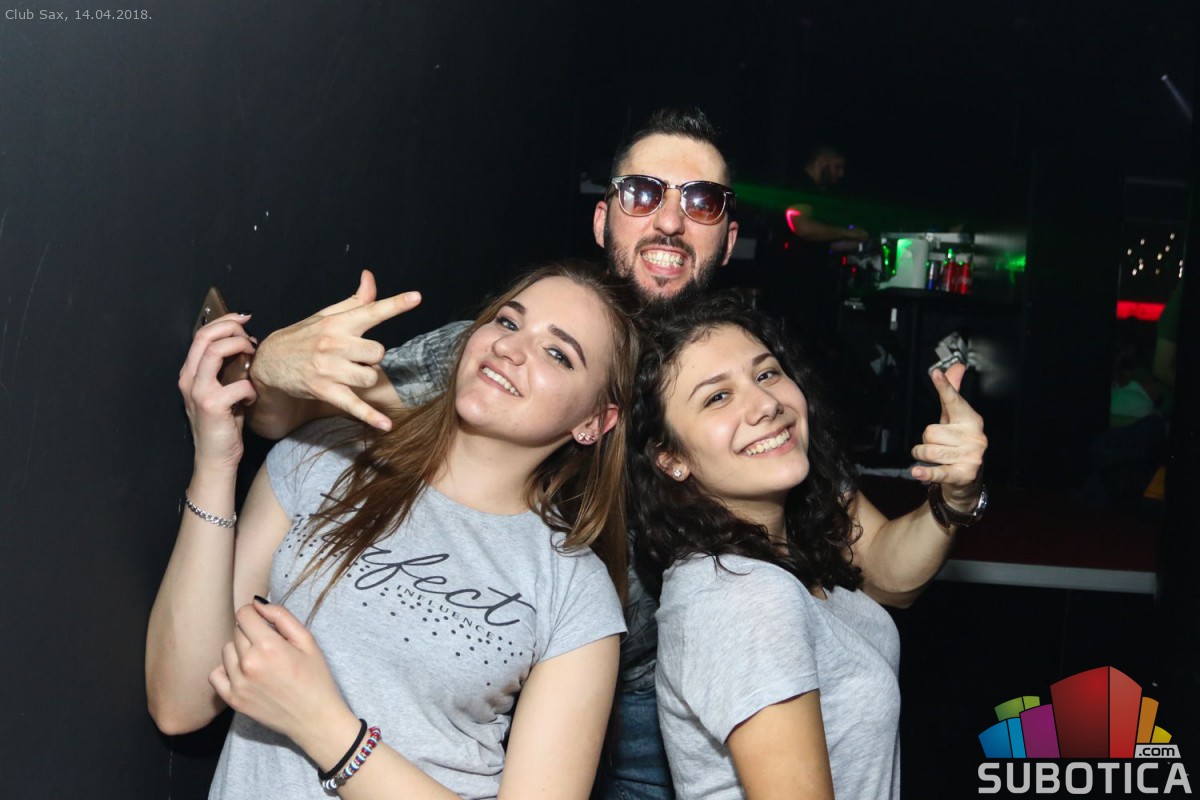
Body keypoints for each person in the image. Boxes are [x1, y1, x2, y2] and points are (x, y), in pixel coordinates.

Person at [238, 107, 976, 800]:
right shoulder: (515, 353)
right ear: (603, 218)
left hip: (670, 705)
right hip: (501, 683)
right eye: (644, 193)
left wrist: (951, 500)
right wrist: (268, 370)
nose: (669, 220)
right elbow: (302, 417)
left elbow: (883, 571)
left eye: (701, 202)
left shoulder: (748, 388)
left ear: (727, 238)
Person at [146, 260, 639, 799]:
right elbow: (180, 704)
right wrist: (217, 462)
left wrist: (325, 727)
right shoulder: (326, 456)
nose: (510, 348)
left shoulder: (574, 587)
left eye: (557, 353)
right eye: (507, 321)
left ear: (594, 421)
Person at [627, 293, 987, 800]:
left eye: (767, 373)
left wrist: (956, 496)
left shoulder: (777, 554)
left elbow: (890, 575)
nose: (766, 403)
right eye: (717, 397)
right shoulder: (743, 596)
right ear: (671, 459)